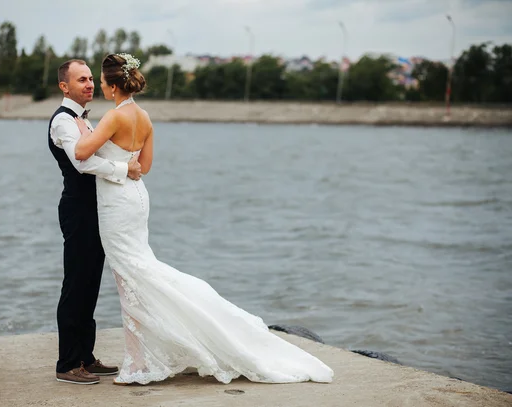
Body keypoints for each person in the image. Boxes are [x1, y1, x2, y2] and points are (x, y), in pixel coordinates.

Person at [73, 53, 334, 385]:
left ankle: (139, 362)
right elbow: (146, 167)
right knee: (137, 274)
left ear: (112, 86)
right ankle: (140, 357)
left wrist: (83, 130)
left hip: (117, 203)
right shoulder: (145, 117)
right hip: (136, 198)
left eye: (101, 81)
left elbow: (82, 153)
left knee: (130, 279)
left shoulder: (113, 117)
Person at [48, 59, 142, 385]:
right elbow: (81, 164)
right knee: (75, 286)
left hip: (97, 210)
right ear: (64, 86)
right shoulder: (63, 121)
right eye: (81, 79)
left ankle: (86, 357)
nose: (89, 84)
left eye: (91, 79)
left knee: (90, 286)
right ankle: (68, 363)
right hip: (78, 211)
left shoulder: (84, 120)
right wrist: (123, 171)